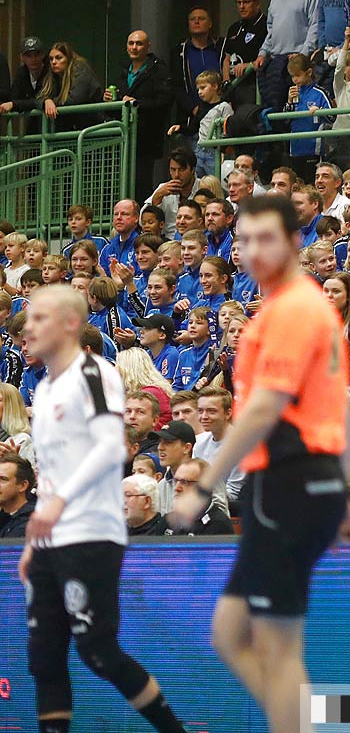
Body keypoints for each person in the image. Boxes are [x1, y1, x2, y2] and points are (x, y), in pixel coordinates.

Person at [168, 195, 348, 733]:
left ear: (295, 241)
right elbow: (336, 401)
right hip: (295, 485)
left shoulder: (295, 305)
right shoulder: (281, 306)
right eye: (242, 240)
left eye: (265, 238)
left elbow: (266, 407)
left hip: (292, 480)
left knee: (277, 647)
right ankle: (299, 722)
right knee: (229, 632)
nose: (251, 250)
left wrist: (205, 485)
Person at [18, 284, 192, 733]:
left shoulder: (93, 372)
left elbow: (109, 447)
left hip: (91, 531)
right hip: (52, 535)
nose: (27, 326)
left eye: (40, 318)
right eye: (27, 317)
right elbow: (54, 472)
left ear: (73, 324)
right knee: (43, 656)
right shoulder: (48, 386)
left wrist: (57, 502)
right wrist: (37, 535)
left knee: (98, 651)